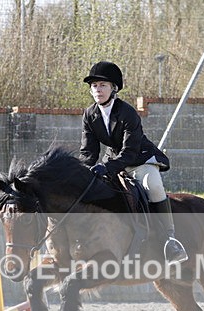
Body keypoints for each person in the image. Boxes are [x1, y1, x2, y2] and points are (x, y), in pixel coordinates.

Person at [79, 60, 188, 265]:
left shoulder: (127, 112)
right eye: (94, 85)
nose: (97, 89)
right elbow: (88, 152)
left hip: (139, 160)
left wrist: (107, 167)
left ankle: (170, 241)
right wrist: (83, 171)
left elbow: (129, 152)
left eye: (103, 85)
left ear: (114, 88)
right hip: (113, 162)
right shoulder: (89, 114)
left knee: (153, 185)